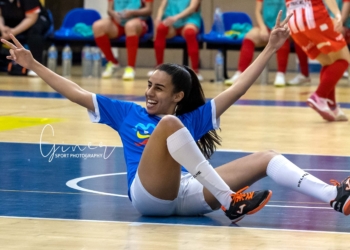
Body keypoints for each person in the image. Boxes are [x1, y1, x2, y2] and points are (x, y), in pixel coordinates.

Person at [2, 12, 350, 223]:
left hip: (189, 194)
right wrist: (32, 64)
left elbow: (239, 87)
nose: (149, 93)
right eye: (148, 85)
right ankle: (231, 201)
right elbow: (74, 91)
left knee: (268, 157)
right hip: (148, 196)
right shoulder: (128, 113)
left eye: (158, 88)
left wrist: (271, 48)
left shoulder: (194, 116)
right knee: (170, 126)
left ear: (178, 96)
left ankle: (333, 196)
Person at [287, 0, 350, 121]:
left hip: (294, 21)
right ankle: (319, 96)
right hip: (313, 17)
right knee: (344, 60)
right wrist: (337, 14)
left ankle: (332, 107)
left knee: (328, 63)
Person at [225, 0, 291, 87]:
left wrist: (280, 27)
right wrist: (263, 28)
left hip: (283, 25)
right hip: (265, 26)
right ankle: (240, 73)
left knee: (282, 36)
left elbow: (291, 11)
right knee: (249, 36)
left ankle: (280, 74)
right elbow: (257, 11)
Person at [93, 0, 153, 80]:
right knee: (97, 26)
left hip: (138, 21)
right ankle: (113, 63)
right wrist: (114, 14)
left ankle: (130, 68)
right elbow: (109, 10)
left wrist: (132, 12)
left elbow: (149, 10)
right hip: (118, 22)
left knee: (130, 26)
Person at [149, 0, 203, 81]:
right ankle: (158, 67)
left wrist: (176, 17)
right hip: (171, 22)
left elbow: (192, 8)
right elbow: (161, 7)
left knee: (190, 33)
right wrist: (158, 18)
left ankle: (195, 71)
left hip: (189, 20)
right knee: (161, 28)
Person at [0, 0, 51, 77]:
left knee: (35, 32)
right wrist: (2, 28)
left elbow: (31, 18)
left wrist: (13, 32)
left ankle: (36, 68)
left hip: (35, 20)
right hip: (11, 22)